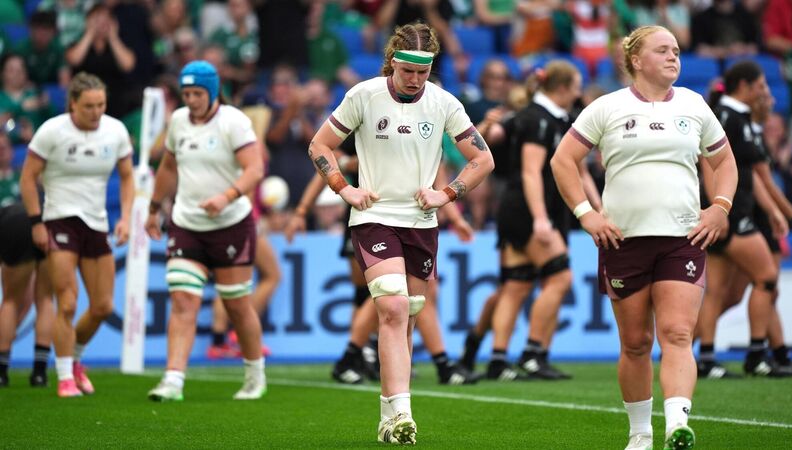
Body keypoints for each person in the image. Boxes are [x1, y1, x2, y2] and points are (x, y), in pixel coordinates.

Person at [550, 25, 737, 450]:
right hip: (623, 241)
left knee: (678, 334)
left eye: (677, 51)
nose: (674, 57)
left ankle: (676, 425)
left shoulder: (694, 104)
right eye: (663, 50)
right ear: (636, 60)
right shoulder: (607, 107)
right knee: (636, 344)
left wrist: (720, 207)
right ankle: (640, 434)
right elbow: (563, 161)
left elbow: (725, 162)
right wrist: (586, 214)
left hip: (682, 238)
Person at [307, 22, 494, 444]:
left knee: (406, 315)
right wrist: (344, 189)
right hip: (374, 216)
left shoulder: (444, 102)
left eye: (423, 72)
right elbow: (319, 145)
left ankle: (388, 417)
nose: (415, 80)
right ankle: (405, 414)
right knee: (392, 306)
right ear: (392, 62)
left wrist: (447, 194)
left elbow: (482, 159)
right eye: (407, 71)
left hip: (421, 222)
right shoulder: (364, 95)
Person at [145, 60, 267, 402]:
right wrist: (153, 209)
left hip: (231, 225)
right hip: (187, 224)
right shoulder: (178, 121)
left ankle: (254, 375)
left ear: (212, 92)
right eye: (186, 94)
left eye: (197, 93)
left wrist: (226, 197)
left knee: (236, 305)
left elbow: (255, 169)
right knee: (183, 300)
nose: (191, 100)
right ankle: (173, 380)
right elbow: (168, 167)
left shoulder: (233, 122)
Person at [469, 60, 597, 381]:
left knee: (516, 285)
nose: (579, 93)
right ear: (562, 88)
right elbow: (530, 172)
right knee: (560, 278)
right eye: (576, 86)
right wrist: (540, 219)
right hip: (528, 211)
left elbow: (580, 171)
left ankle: (498, 359)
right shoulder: (537, 119)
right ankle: (532, 353)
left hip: (529, 209)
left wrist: (599, 208)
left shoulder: (559, 119)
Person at [19, 72, 135, 398]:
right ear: (73, 104)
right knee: (67, 302)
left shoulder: (116, 131)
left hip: (96, 224)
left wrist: (126, 218)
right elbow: (28, 178)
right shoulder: (51, 131)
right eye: (88, 106)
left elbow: (127, 177)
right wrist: (36, 222)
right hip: (60, 221)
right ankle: (65, 377)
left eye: (101, 105)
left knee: (102, 306)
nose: (96, 112)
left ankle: (75, 359)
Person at [696, 61, 792, 378]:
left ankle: (705, 357)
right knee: (766, 278)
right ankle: (756, 355)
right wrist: (718, 207)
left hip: (728, 212)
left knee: (718, 291)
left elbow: (751, 175)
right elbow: (707, 162)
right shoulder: (729, 117)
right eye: (761, 85)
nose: (765, 91)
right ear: (745, 86)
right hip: (732, 214)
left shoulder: (736, 117)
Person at [0, 203, 54, 388]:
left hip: (15, 224)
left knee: (10, 301)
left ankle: (1, 373)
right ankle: (39, 373)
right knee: (46, 299)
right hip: (49, 222)